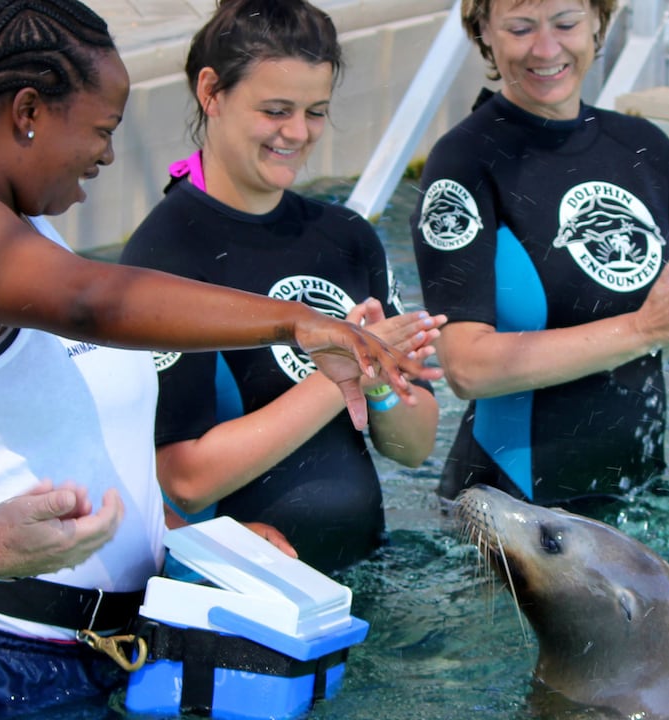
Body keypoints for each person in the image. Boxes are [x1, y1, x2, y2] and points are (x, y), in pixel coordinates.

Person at [0, 0, 436, 712]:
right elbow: (91, 301)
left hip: (111, 652)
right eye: (100, 132)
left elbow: (89, 453)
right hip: (13, 659)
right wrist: (299, 325)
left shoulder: (30, 226)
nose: (107, 154)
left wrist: (206, 547)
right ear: (27, 111)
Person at [119, 0, 443, 575]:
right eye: (275, 110)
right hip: (238, 598)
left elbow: (412, 448)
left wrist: (377, 384)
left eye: (315, 111)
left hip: (365, 573)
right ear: (211, 92)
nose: (297, 133)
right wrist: (338, 371)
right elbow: (184, 481)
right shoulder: (165, 256)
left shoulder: (346, 236)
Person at [411, 0, 669, 507]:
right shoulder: (463, 163)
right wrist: (645, 329)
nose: (546, 49)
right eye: (521, 28)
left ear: (600, 20)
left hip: (642, 495)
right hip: (516, 515)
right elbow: (466, 368)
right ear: (485, 29)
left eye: (567, 23)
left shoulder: (643, 147)